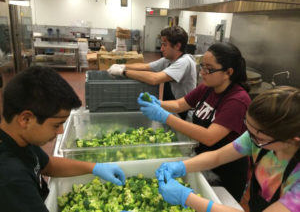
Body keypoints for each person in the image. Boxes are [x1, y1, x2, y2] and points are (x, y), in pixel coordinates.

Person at [0, 66, 126, 212]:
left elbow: (48, 165)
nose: (60, 132)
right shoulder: (11, 178)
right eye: (56, 125)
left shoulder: (19, 139)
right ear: (26, 119)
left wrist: (94, 167)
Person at [155, 86, 300, 212]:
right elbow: (217, 157)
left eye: (258, 137)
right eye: (247, 128)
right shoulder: (259, 138)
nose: (250, 138)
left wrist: (186, 198)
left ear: (292, 140)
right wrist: (180, 166)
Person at [138, 42, 251, 201]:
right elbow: (179, 104)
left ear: (228, 72)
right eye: (202, 67)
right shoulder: (208, 87)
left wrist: (165, 117)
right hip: (204, 162)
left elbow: (209, 137)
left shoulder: (237, 100)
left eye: (208, 69)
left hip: (225, 172)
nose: (202, 73)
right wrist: (157, 103)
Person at [108, 26, 197, 120]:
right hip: (175, 108)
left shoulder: (184, 61)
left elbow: (154, 79)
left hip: (185, 113)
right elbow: (146, 66)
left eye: (165, 45)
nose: (161, 49)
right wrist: (123, 66)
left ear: (177, 46)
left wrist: (123, 72)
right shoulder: (168, 60)